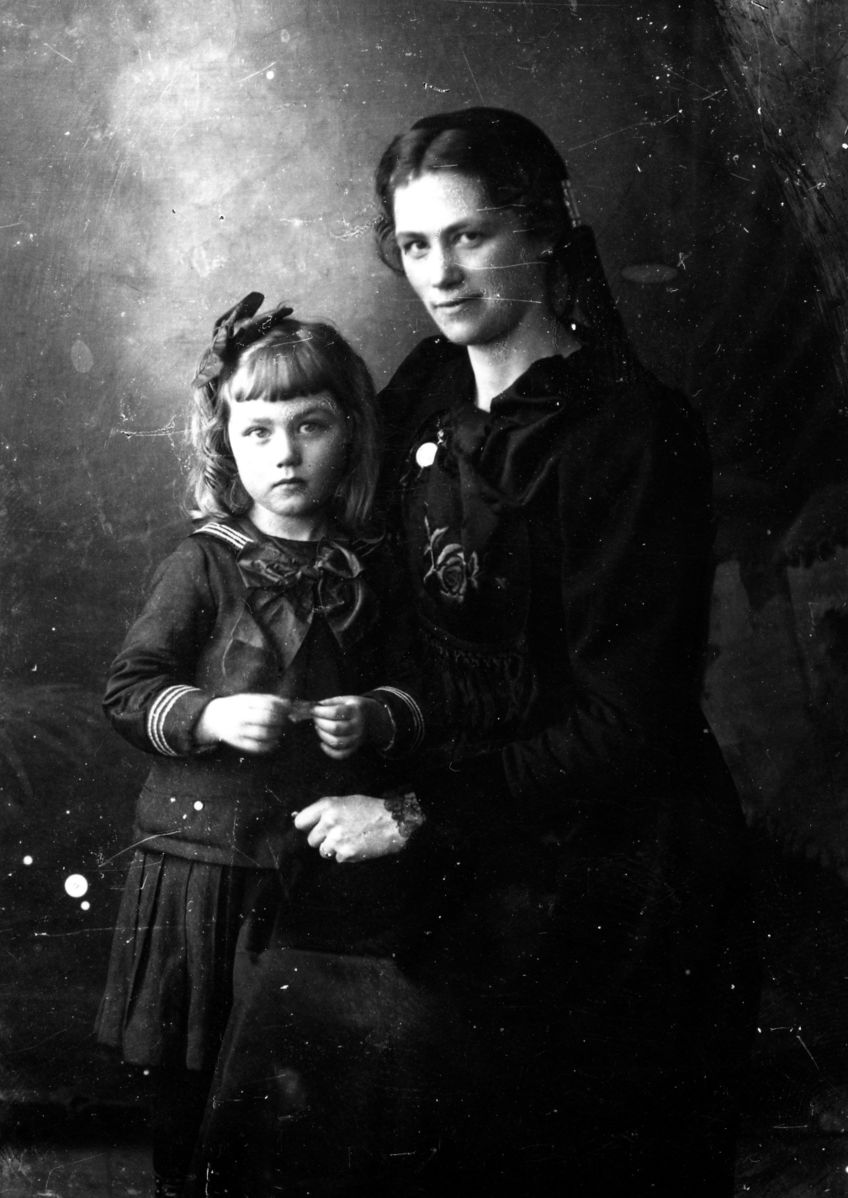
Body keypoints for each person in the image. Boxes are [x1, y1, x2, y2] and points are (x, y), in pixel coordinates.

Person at [276, 107, 758, 1195]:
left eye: (469, 236)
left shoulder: (632, 431)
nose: (440, 274)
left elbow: (623, 727)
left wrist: (412, 811)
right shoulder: (428, 388)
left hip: (617, 879)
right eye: (414, 245)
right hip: (473, 856)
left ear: (542, 232)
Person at [95, 295, 426, 1198]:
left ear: (350, 434)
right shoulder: (203, 562)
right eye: (259, 431)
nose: (285, 454)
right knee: (194, 1082)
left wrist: (373, 715)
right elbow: (128, 690)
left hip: (315, 873)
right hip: (205, 870)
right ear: (225, 444)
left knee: (303, 1084)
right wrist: (208, 716)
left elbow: (415, 691)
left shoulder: (371, 565)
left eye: (310, 426)